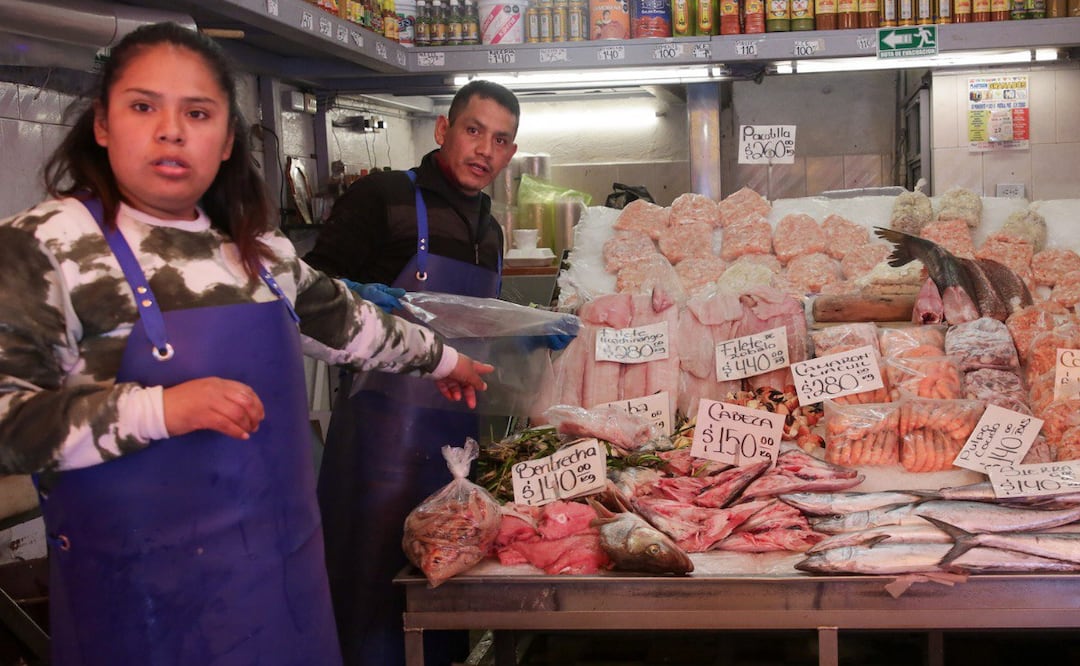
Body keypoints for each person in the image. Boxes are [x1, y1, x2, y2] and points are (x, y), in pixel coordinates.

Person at [0, 22, 492, 666]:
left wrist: (447, 361)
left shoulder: (257, 249)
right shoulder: (45, 246)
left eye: (197, 113)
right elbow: (9, 423)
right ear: (102, 123)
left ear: (227, 138)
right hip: (142, 599)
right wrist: (160, 410)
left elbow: (346, 323)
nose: (171, 131)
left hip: (282, 579)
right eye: (143, 107)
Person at [303, 80, 521, 666]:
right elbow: (310, 291)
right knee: (369, 578)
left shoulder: (490, 230)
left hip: (454, 436)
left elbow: (476, 319)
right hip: (379, 430)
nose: (485, 150)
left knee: (444, 573)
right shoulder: (383, 196)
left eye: (501, 140)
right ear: (444, 130)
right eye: (474, 131)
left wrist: (527, 328)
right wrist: (358, 292)